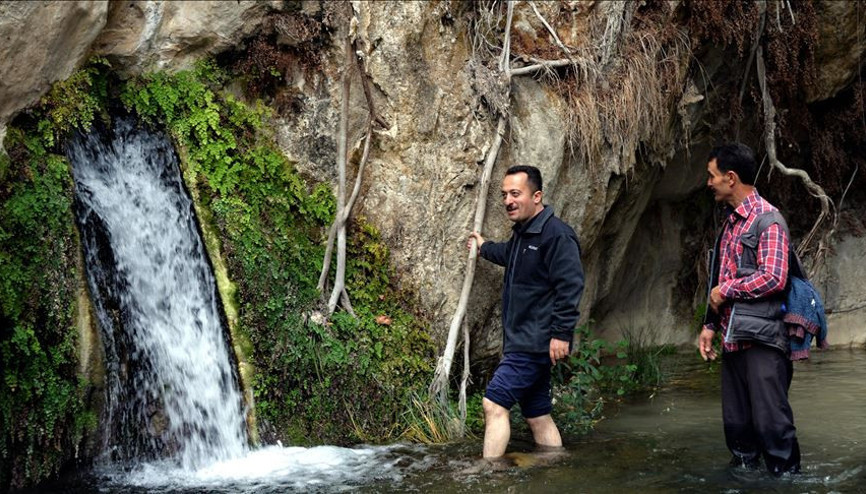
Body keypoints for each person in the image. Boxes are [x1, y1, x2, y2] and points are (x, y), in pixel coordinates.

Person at [468, 165, 585, 459]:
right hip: (526, 342)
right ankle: (555, 468)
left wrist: (561, 334)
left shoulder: (556, 235)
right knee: (537, 414)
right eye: (505, 194)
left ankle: (489, 476)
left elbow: (570, 286)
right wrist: (483, 247)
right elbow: (508, 255)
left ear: (537, 196)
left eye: (515, 193)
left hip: (533, 344)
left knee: (494, 404)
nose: (508, 200)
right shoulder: (523, 234)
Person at [700, 143, 801, 475]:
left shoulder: (767, 221)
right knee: (738, 430)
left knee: (773, 429)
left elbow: (773, 277)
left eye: (712, 176)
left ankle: (786, 482)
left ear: (731, 178)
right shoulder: (731, 224)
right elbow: (721, 277)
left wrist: (725, 290)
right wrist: (710, 324)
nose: (709, 182)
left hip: (764, 342)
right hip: (733, 340)